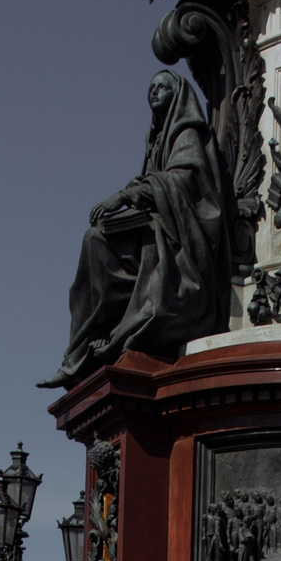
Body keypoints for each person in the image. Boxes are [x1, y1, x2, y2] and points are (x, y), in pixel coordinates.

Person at [39, 70, 231, 390]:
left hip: (180, 237)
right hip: (161, 223)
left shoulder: (187, 133)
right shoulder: (156, 139)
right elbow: (159, 184)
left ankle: (103, 342)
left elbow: (184, 182)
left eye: (162, 87)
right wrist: (135, 192)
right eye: (151, 88)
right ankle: (80, 352)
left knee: (108, 244)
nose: (154, 92)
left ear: (177, 94)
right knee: (95, 239)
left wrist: (128, 195)